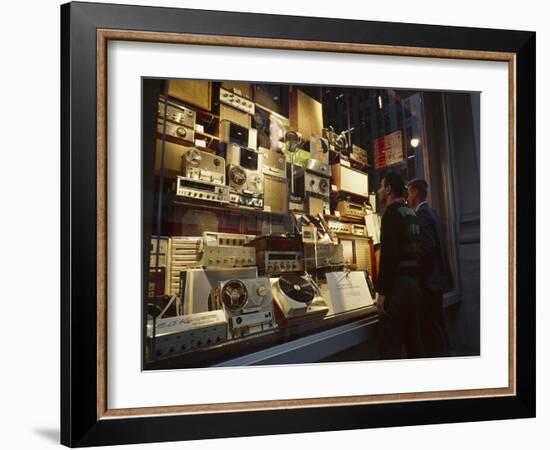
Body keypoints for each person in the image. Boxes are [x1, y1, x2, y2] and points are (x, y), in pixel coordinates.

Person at [375, 172, 423, 359]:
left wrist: (382, 294)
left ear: (388, 189)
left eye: (381, 186)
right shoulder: (411, 212)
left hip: (397, 289)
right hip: (413, 285)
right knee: (413, 340)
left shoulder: (391, 214)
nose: (379, 191)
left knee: (391, 345)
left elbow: (389, 257)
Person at [407, 178, 454, 357]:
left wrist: (414, 272)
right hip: (437, 280)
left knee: (430, 331)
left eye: (409, 192)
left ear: (415, 192)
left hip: (428, 283)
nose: (408, 196)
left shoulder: (422, 215)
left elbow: (427, 249)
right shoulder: (433, 212)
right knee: (438, 325)